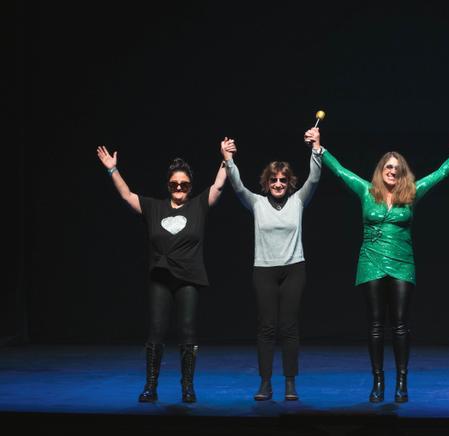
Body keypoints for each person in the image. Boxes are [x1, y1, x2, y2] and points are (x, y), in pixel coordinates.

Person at [321, 139, 449, 403]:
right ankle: (378, 381)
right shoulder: (366, 191)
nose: (391, 171)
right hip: (371, 261)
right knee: (375, 325)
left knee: (400, 325)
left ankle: (401, 381)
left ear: (401, 172)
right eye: (388, 166)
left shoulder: (411, 193)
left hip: (402, 262)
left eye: (396, 168)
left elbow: (438, 175)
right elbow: (341, 172)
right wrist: (320, 149)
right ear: (381, 170)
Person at [96, 141, 228, 403]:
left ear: (190, 186)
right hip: (160, 278)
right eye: (174, 184)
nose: (179, 188)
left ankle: (187, 386)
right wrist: (113, 170)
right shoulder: (155, 207)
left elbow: (219, 186)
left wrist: (226, 159)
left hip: (188, 278)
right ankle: (151, 385)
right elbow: (127, 195)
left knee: (188, 331)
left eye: (184, 184)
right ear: (168, 185)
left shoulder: (199, 206)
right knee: (156, 330)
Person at [224, 129, 323, 401]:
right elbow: (237, 186)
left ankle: (290, 383)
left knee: (289, 327)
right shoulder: (256, 203)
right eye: (273, 180)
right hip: (264, 270)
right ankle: (265, 384)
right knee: (267, 327)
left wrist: (315, 148)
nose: (278, 183)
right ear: (266, 183)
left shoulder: (298, 201)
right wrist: (228, 160)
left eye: (283, 180)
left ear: (289, 182)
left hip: (294, 268)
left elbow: (314, 179)